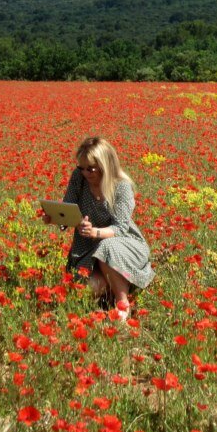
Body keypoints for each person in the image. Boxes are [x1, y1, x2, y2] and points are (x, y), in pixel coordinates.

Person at [45, 136, 154, 320]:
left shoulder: (121, 186)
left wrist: (95, 232)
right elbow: (69, 207)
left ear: (105, 165)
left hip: (123, 244)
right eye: (81, 167)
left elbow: (120, 228)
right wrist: (55, 217)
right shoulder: (79, 177)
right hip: (87, 248)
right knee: (92, 288)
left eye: (91, 168)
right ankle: (113, 288)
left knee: (107, 246)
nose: (85, 172)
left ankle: (123, 305)